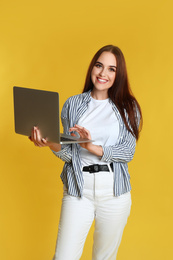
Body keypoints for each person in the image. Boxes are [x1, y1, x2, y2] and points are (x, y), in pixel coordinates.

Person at [30, 45, 142, 260]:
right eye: (99, 66)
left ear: (119, 75)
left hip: (114, 193)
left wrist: (90, 146)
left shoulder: (128, 107)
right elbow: (71, 156)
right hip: (77, 190)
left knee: (104, 258)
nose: (103, 73)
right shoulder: (72, 104)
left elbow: (127, 151)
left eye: (112, 69)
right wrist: (52, 144)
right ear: (92, 67)